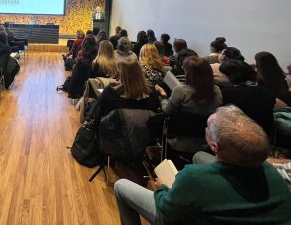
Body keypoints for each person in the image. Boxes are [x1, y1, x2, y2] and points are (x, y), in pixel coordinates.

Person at [114, 105, 291, 225]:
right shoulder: (274, 175)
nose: (205, 129)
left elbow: (166, 212)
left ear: (215, 146)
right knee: (199, 156)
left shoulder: (194, 177)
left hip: (179, 212)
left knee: (121, 186)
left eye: (207, 127)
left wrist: (161, 188)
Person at [157, 56, 222, 153]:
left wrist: (163, 97)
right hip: (206, 141)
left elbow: (167, 111)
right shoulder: (216, 90)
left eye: (184, 68)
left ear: (189, 73)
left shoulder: (181, 90)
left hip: (180, 141)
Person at [219, 59, 275, 137]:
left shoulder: (228, 92)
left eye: (223, 75)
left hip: (242, 135)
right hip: (267, 134)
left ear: (231, 77)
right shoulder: (266, 90)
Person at [68, 34, 98, 99]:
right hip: (93, 81)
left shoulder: (81, 54)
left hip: (81, 82)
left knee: (74, 66)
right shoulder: (97, 54)